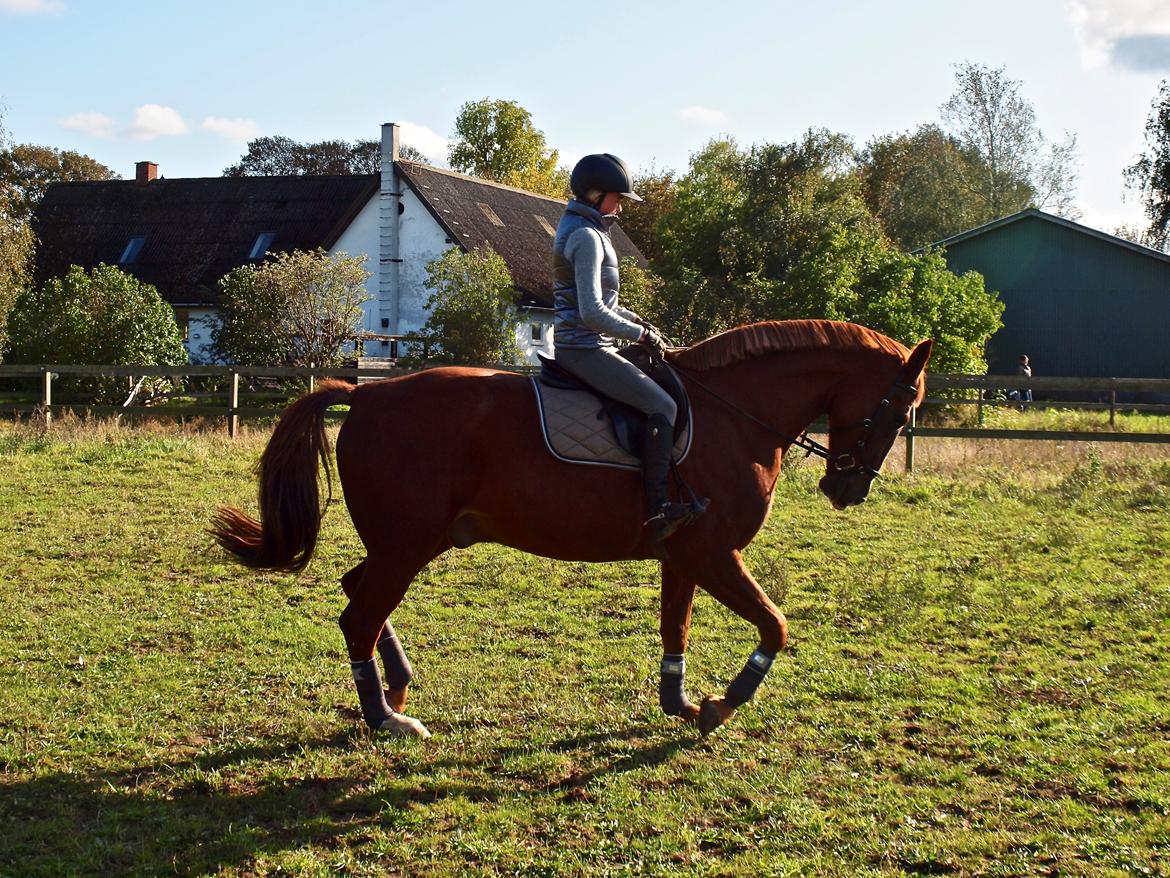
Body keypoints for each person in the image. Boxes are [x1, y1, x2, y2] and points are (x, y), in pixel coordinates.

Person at [552, 153, 706, 559]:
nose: (620, 206)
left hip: (595, 343)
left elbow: (607, 304)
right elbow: (590, 312)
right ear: (594, 193)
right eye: (616, 198)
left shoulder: (590, 229)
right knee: (661, 404)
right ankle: (657, 510)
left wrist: (639, 321)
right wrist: (638, 333)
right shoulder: (586, 237)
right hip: (583, 348)